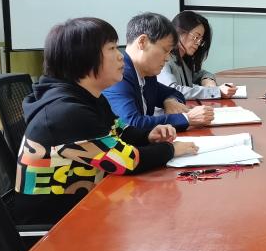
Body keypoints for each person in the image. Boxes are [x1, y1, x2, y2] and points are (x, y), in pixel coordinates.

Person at [13, 17, 197, 226]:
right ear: (84, 57)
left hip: (86, 207)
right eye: (112, 48)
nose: (120, 56)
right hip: (55, 228)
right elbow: (127, 161)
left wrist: (148, 136)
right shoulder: (66, 112)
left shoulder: (88, 98)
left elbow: (120, 130)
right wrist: (171, 149)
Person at [103, 12, 215, 132]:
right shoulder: (119, 76)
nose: (167, 58)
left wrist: (169, 101)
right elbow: (131, 124)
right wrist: (187, 118)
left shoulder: (147, 75)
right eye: (165, 50)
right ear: (142, 42)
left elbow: (175, 93)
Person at [159, 11, 238, 100]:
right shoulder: (164, 60)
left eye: (201, 40)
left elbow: (201, 73)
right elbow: (172, 91)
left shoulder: (183, 60)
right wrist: (216, 91)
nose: (198, 43)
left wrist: (208, 80)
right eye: (196, 37)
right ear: (179, 32)